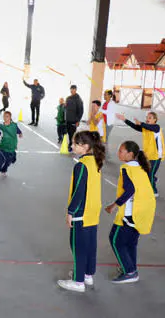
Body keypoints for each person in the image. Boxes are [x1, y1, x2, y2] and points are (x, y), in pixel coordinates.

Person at [57, 131, 105, 293]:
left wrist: (71, 211)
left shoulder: (81, 165)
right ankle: (87, 274)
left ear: (85, 147)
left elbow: (78, 191)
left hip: (81, 213)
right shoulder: (96, 162)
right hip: (92, 211)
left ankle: (78, 281)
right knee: (90, 245)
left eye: (74, 143)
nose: (71, 146)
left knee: (78, 246)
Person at [105, 141, 156, 284]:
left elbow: (130, 190)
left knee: (115, 240)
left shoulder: (127, 168)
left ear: (130, 154)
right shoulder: (140, 167)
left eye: (121, 151)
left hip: (131, 212)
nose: (118, 153)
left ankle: (129, 272)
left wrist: (114, 205)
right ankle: (131, 268)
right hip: (143, 210)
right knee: (131, 243)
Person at [116, 112, 164, 196]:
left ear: (155, 120)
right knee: (147, 171)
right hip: (148, 154)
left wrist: (141, 123)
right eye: (147, 117)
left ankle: (154, 191)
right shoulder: (146, 128)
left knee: (150, 174)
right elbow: (135, 127)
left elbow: (148, 126)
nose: (147, 119)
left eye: (150, 117)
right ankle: (154, 178)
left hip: (156, 156)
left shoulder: (156, 128)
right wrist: (124, 119)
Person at [0, 111, 23, 176]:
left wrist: (20, 134)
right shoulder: (1, 126)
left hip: (11, 147)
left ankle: (4, 170)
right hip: (3, 146)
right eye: (4, 116)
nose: (5, 118)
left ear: (10, 117)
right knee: (0, 158)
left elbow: (19, 132)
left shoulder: (14, 125)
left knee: (9, 161)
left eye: (7, 116)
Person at [65, 85, 84, 153]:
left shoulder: (78, 99)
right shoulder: (68, 98)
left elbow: (81, 111)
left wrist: (78, 120)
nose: (72, 90)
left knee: (72, 134)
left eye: (73, 89)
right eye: (71, 89)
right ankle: (71, 145)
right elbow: (66, 107)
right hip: (68, 119)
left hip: (74, 120)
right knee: (69, 134)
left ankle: (71, 146)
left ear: (75, 90)